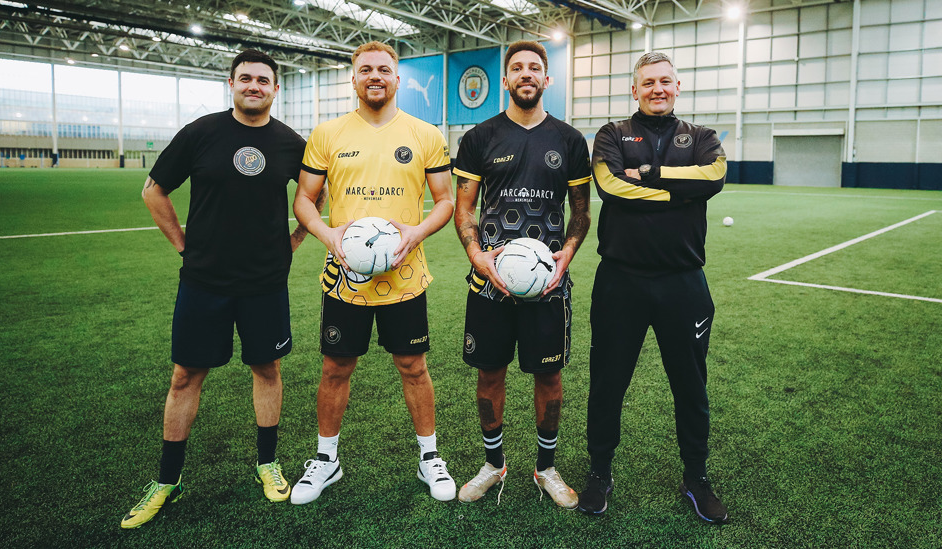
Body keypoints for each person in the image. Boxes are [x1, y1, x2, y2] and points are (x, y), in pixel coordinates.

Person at [121, 49, 326, 528]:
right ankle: (167, 480)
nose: (254, 86)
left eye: (263, 80)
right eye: (245, 79)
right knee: (185, 376)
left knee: (266, 368)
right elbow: (154, 189)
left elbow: (318, 197)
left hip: (264, 282)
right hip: (204, 281)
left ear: (276, 89)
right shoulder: (201, 133)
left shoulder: (291, 144)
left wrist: (293, 241)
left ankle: (268, 464)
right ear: (230, 84)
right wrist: (182, 246)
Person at [290, 41, 457, 504]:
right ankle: (326, 460)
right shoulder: (327, 133)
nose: (375, 76)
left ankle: (430, 457)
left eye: (384, 69)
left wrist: (416, 232)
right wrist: (330, 236)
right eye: (366, 69)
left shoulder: (426, 134)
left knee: (413, 366)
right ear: (354, 78)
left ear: (397, 78)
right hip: (346, 277)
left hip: (405, 276)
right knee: (336, 366)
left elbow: (445, 201)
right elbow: (304, 198)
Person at [577, 52, 728, 523]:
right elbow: (610, 186)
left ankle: (696, 478)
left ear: (678, 86)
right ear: (635, 89)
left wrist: (653, 176)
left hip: (683, 283)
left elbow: (715, 176)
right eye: (648, 82)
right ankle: (599, 472)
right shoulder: (611, 134)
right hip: (620, 281)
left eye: (665, 81)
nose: (657, 88)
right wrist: (679, 195)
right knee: (607, 383)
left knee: (691, 386)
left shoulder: (702, 137)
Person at [452, 41, 592, 508]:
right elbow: (465, 208)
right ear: (506, 80)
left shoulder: (570, 141)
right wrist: (477, 255)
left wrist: (565, 257)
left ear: (547, 79)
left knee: (548, 376)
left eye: (535, 67)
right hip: (490, 283)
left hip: (547, 285)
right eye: (517, 68)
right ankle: (493, 464)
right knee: (489, 372)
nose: (526, 73)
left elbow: (580, 213)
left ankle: (546, 467)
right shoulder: (479, 137)